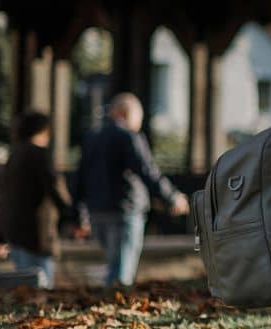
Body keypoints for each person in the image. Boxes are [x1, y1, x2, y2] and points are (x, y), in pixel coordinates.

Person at [77, 93, 189, 287]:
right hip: (125, 210)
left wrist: (79, 214)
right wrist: (172, 197)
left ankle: (108, 303)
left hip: (98, 212)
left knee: (113, 264)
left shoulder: (92, 138)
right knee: (121, 272)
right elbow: (147, 171)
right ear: (127, 114)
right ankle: (113, 308)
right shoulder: (128, 137)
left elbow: (79, 179)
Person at [0, 109, 85, 288]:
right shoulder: (39, 155)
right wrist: (74, 217)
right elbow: (56, 189)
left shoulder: (13, 156)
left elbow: (2, 199)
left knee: (24, 283)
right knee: (40, 285)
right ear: (44, 131)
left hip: (14, 232)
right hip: (37, 234)